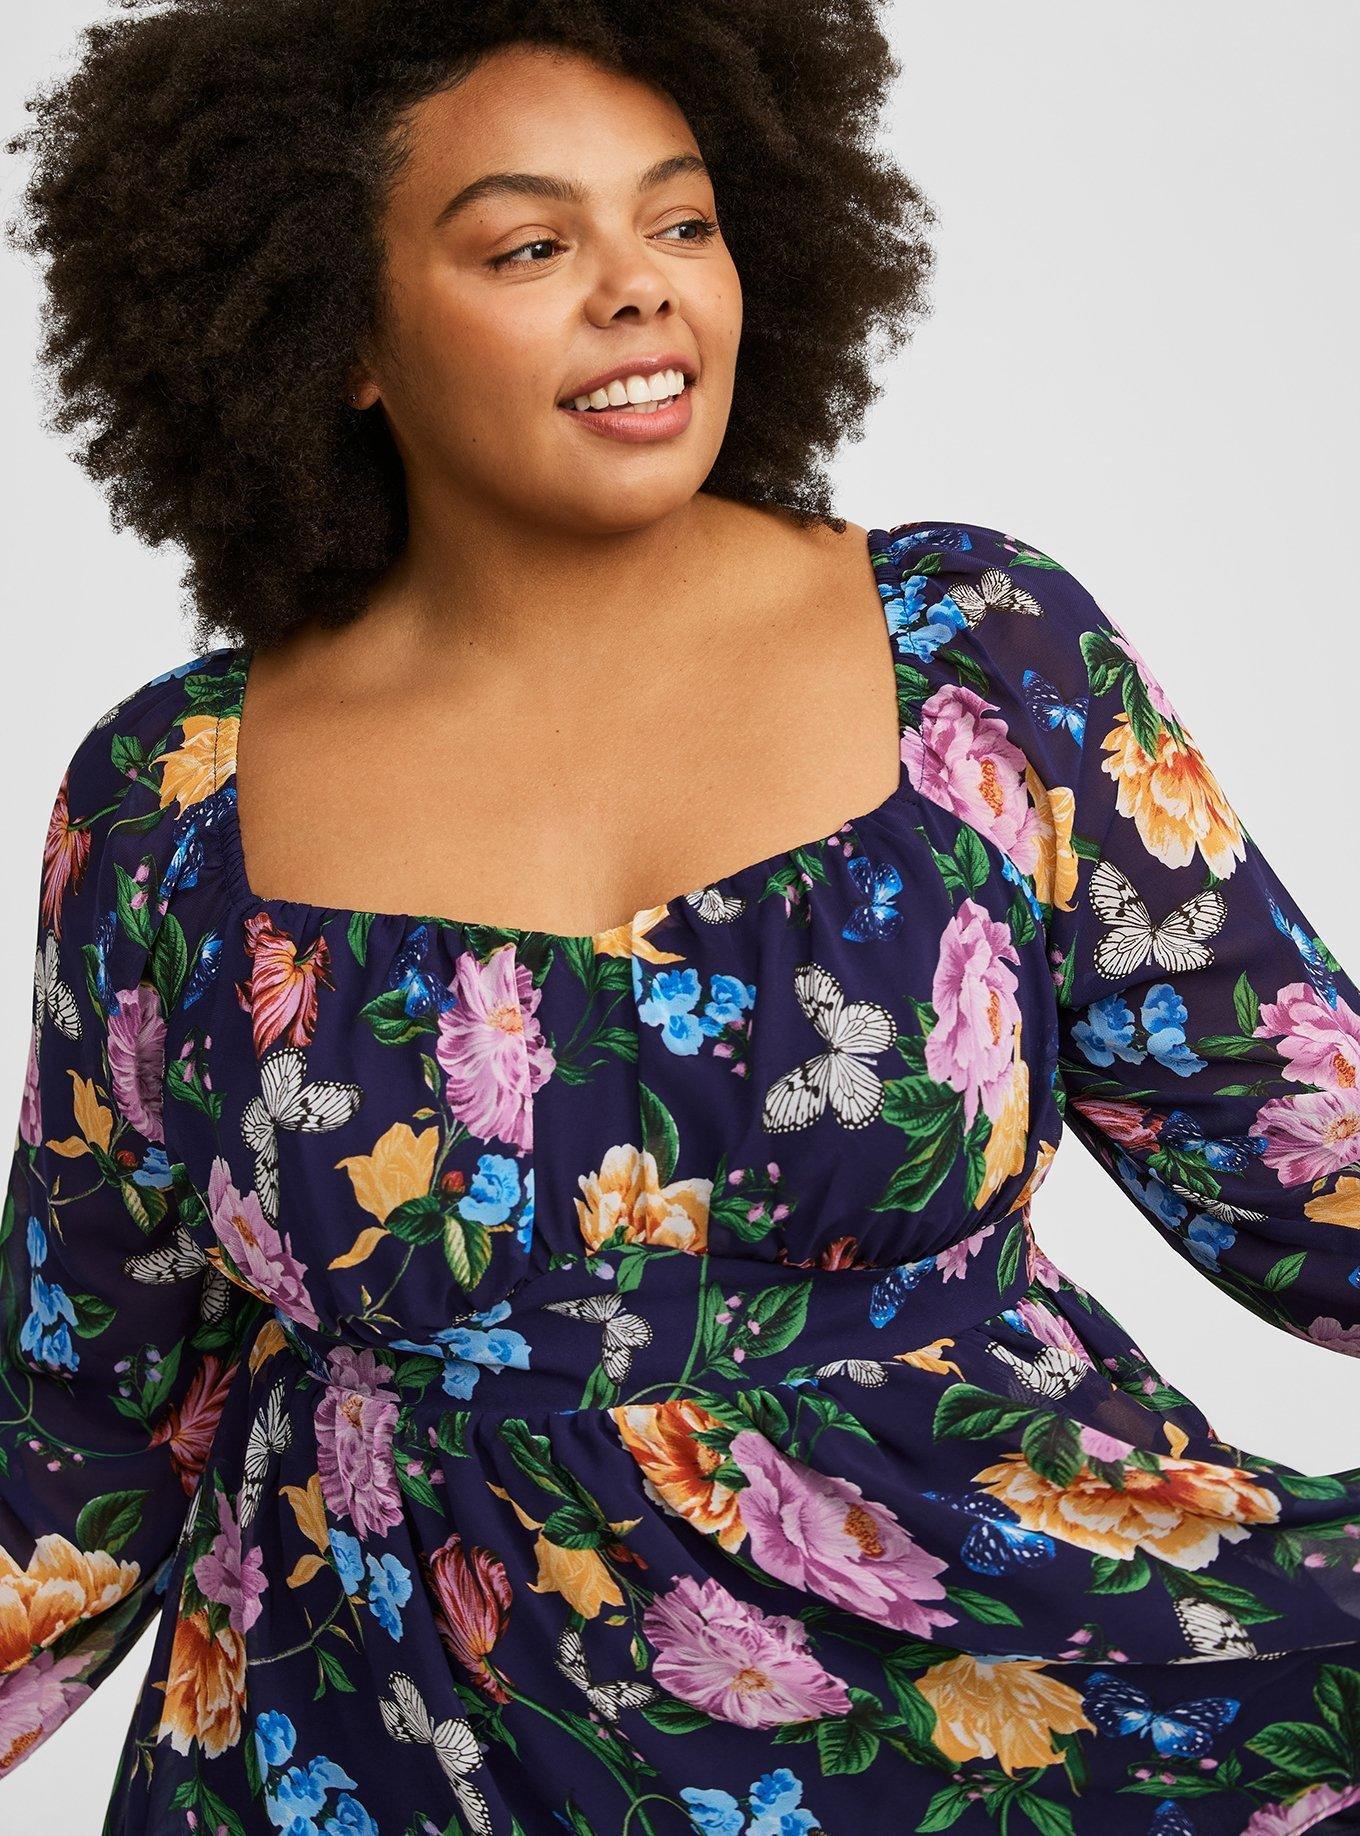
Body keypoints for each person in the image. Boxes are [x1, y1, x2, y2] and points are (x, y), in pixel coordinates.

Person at [3, 6, 1359, 1833]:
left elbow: (1309, 1151)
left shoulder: (977, 662)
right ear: (343, 334)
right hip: (388, 1758)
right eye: (529, 245)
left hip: (975, 1717)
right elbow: (83, 1423)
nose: (639, 286)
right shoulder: (168, 805)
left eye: (683, 221)